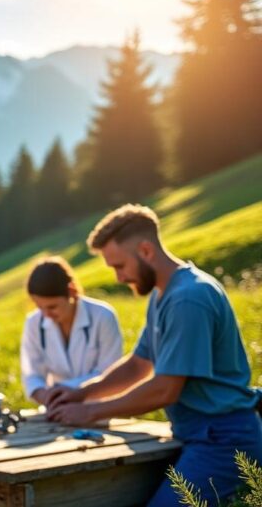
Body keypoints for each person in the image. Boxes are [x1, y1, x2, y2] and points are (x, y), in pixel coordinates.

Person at [47, 204, 262, 506]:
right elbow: (137, 365)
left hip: (223, 441)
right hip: (196, 434)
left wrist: (91, 412)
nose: (118, 277)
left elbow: (165, 389)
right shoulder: (163, 295)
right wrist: (81, 393)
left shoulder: (189, 298)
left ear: (146, 250)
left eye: (119, 266)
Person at [20, 256, 123, 406]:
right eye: (39, 307)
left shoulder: (103, 317)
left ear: (72, 291)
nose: (46, 315)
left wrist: (66, 390)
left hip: (98, 409)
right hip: (56, 410)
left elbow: (109, 373)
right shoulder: (34, 322)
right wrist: (46, 397)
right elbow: (32, 375)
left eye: (52, 307)